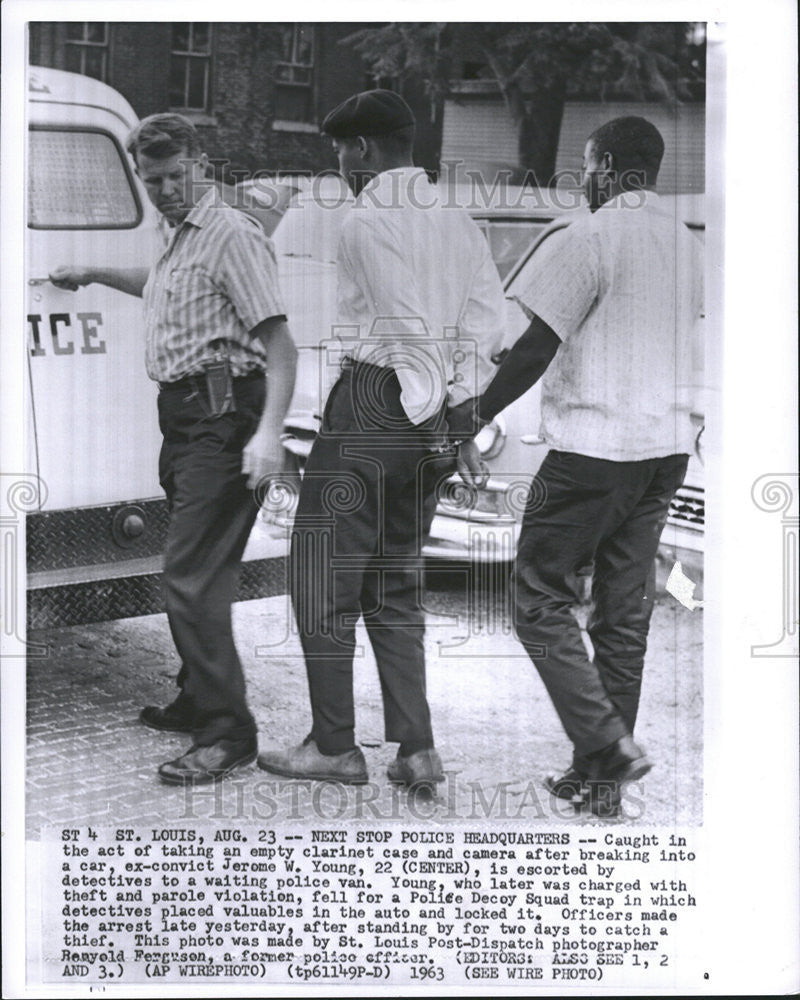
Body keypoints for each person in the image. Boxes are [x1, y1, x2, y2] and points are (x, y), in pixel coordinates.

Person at [448, 116, 704, 815]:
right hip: (664, 453)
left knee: (537, 600)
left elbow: (535, 346)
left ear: (610, 166)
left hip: (592, 452)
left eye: (588, 165)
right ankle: (600, 784)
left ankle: (608, 744)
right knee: (623, 615)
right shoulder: (685, 245)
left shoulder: (590, 237)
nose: (582, 179)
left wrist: (474, 413)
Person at [257, 89, 506, 790]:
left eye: (342, 148)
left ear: (363, 148)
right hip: (432, 421)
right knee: (395, 585)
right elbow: (488, 326)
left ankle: (334, 745)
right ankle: (417, 749)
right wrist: (458, 423)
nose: (340, 160)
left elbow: (403, 328)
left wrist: (426, 410)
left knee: (321, 576)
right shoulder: (457, 216)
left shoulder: (365, 220)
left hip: (376, 403)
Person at [50, 113, 297, 785]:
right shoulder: (179, 235)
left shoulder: (229, 234)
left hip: (226, 417)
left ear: (202, 164)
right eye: (151, 180)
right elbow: (162, 288)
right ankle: (198, 699)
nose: (162, 190)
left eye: (173, 176)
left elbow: (279, 343)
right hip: (186, 420)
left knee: (189, 577)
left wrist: (269, 434)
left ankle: (229, 733)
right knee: (195, 571)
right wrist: (94, 271)